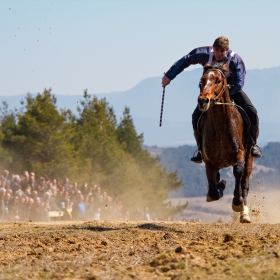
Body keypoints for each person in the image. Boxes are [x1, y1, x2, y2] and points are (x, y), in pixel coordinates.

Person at [162, 36, 262, 163]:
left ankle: (252, 145)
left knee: (252, 112)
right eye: (216, 50)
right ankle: (200, 150)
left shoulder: (235, 60)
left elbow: (239, 83)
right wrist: (169, 76)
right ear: (213, 48)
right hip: (210, 92)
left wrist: (224, 94)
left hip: (231, 91)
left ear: (227, 50)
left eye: (222, 51)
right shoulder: (204, 54)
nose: (219, 54)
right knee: (195, 116)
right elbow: (185, 60)